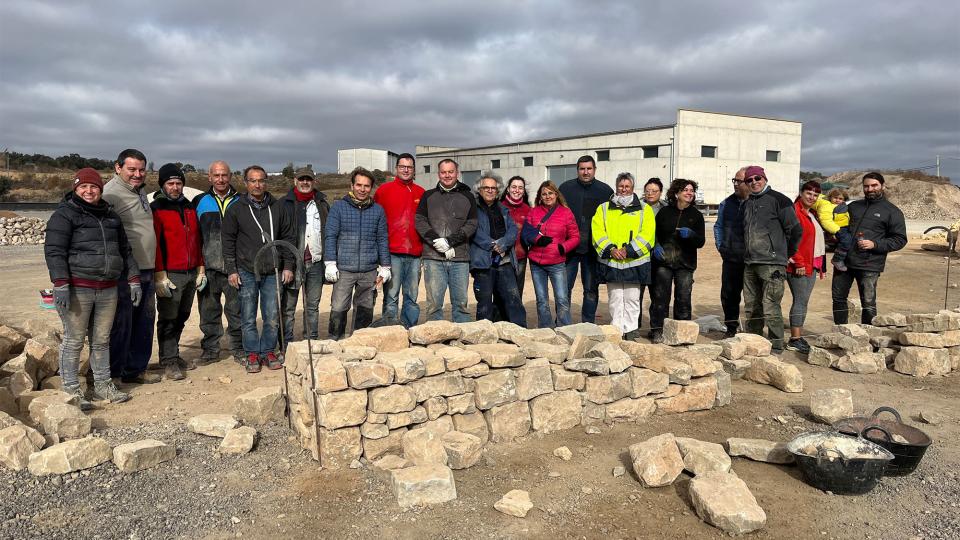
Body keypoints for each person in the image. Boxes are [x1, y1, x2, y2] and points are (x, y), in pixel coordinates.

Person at [44, 168, 135, 407]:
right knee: (74, 340)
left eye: (93, 186)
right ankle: (71, 390)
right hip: (77, 287)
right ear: (75, 189)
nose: (88, 190)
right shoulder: (64, 215)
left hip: (108, 288)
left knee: (101, 340)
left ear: (100, 189)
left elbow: (125, 250)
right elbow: (55, 251)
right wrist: (61, 283)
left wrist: (133, 278)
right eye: (83, 186)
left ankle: (103, 386)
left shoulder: (111, 216)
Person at [222, 165, 294, 373]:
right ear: (246, 183)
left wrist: (287, 266)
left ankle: (269, 351)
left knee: (272, 315)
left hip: (273, 270)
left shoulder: (278, 207)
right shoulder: (236, 208)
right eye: (253, 181)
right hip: (246, 269)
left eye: (261, 180)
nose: (257, 184)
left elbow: (287, 238)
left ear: (266, 182)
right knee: (248, 315)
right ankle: (252, 352)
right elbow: (228, 240)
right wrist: (232, 270)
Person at [102, 149, 159, 384]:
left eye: (141, 169)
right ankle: (114, 374)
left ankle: (135, 370)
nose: (137, 174)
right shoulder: (110, 194)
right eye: (131, 169)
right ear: (118, 168)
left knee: (144, 322)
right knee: (121, 324)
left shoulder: (140, 191)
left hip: (148, 268)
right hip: (126, 272)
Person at [151, 164, 205, 380]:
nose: (175, 187)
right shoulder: (156, 209)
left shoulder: (190, 207)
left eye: (179, 183)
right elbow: (155, 244)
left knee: (182, 315)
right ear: (163, 185)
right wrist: (159, 275)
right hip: (170, 273)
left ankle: (174, 354)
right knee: (168, 317)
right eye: (170, 183)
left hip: (191, 271)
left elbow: (197, 240)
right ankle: (168, 360)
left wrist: (200, 268)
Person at [832, 172, 907, 324]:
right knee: (838, 299)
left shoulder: (892, 211)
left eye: (874, 185)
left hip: (870, 264)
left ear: (882, 186)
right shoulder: (853, 206)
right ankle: (840, 334)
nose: (870, 189)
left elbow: (900, 239)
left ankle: (869, 339)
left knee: (868, 304)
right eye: (866, 186)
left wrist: (875, 244)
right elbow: (839, 226)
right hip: (844, 262)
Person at [324, 167, 391, 339]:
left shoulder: (378, 210)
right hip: (344, 269)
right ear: (352, 185)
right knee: (339, 307)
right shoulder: (338, 208)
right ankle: (335, 342)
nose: (362, 189)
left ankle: (359, 344)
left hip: (368, 270)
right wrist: (330, 262)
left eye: (367, 186)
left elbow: (382, 239)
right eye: (359, 185)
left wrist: (385, 266)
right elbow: (330, 235)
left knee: (365, 309)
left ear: (371, 188)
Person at [741, 165, 802, 353]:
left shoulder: (779, 200)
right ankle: (755, 343)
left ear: (764, 179)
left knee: (770, 306)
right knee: (751, 306)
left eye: (757, 178)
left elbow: (796, 229)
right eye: (749, 180)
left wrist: (785, 253)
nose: (754, 182)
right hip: (750, 263)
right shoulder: (747, 203)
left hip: (772, 264)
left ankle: (776, 346)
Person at [591, 172, 655, 340]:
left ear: (632, 188)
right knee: (615, 298)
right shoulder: (604, 208)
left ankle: (631, 329)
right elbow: (597, 232)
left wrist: (629, 250)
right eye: (621, 186)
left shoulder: (644, 209)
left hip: (635, 262)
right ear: (616, 186)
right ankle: (617, 329)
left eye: (627, 186)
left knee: (632, 298)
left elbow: (648, 235)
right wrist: (611, 249)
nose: (623, 189)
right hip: (612, 262)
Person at [415, 159, 478, 323]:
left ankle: (463, 336)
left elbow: (472, 223)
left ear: (457, 173)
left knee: (461, 303)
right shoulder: (428, 196)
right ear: (439, 174)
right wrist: (438, 242)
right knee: (434, 304)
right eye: (443, 172)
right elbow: (420, 221)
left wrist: (450, 241)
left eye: (451, 171)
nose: (447, 175)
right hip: (433, 257)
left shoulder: (468, 196)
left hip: (460, 257)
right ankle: (435, 338)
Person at [193, 160, 242, 364]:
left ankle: (238, 348)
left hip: (235, 268)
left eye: (224, 175)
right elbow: (194, 237)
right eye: (216, 175)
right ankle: (211, 349)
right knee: (208, 312)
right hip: (208, 268)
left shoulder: (242, 200)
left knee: (237, 310)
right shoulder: (198, 201)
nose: (221, 179)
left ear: (230, 177)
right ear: (209, 177)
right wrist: (199, 268)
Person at [648, 178, 705, 343]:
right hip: (664, 262)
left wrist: (692, 235)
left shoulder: (696, 216)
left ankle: (682, 333)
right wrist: (656, 246)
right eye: (686, 190)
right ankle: (658, 330)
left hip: (685, 264)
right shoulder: (665, 212)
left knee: (683, 298)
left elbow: (700, 242)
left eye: (691, 191)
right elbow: (654, 233)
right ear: (676, 193)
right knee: (660, 297)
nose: (689, 193)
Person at [559, 155, 613, 323]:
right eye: (582, 169)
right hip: (570, 249)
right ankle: (563, 323)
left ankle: (588, 323)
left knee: (590, 289)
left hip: (592, 250)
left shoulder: (605, 191)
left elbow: (611, 221)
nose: (585, 172)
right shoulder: (565, 189)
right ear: (578, 170)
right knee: (564, 289)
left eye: (589, 168)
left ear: (594, 170)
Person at [373, 153, 424, 328]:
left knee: (411, 296)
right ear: (396, 168)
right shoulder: (383, 191)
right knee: (391, 295)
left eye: (409, 167)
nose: (406, 170)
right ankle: (391, 329)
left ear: (414, 170)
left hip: (415, 254)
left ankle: (409, 329)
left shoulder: (420, 192)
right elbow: (375, 221)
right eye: (402, 166)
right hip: (392, 254)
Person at [280, 168, 329, 343]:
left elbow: (327, 232)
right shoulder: (284, 204)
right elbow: (281, 236)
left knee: (312, 307)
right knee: (288, 308)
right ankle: (287, 343)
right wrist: (286, 264)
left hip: (316, 262)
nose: (305, 182)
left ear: (314, 182)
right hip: (292, 264)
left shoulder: (322, 203)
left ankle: (311, 341)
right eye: (302, 179)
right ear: (295, 181)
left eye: (308, 179)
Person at [470, 173, 526, 325]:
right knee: (485, 303)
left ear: (498, 191)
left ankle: (520, 332)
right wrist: (493, 245)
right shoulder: (473, 208)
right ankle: (484, 337)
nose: (490, 191)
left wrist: (502, 244)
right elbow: (473, 230)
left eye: (493, 188)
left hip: (505, 261)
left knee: (514, 300)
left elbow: (513, 231)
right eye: (486, 187)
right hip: (483, 262)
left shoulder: (503, 209)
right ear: (479, 190)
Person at [522, 181, 580, 328]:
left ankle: (564, 328)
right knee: (541, 300)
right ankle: (545, 328)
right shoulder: (533, 212)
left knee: (561, 299)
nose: (547, 196)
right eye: (544, 194)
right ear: (540, 197)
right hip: (536, 263)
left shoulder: (566, 213)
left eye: (550, 193)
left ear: (556, 194)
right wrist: (537, 239)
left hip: (557, 262)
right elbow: (525, 234)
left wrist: (562, 248)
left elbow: (575, 237)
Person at [785, 181, 827, 354]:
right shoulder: (795, 212)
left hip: (812, 264)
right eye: (809, 193)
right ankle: (795, 339)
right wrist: (798, 261)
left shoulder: (812, 213)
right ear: (801, 193)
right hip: (800, 265)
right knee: (800, 301)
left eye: (815, 195)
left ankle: (798, 336)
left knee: (803, 302)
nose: (812, 197)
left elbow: (815, 241)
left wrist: (821, 266)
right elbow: (790, 238)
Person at [714, 167, 750, 337]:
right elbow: (718, 226)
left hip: (753, 260)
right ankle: (731, 329)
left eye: (739, 181)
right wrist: (721, 246)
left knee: (753, 297)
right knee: (729, 295)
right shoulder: (726, 204)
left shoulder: (758, 202)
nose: (735, 184)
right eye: (734, 181)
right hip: (731, 258)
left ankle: (754, 332)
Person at [499, 175, 532, 297]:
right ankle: (500, 316)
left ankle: (516, 315)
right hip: (501, 255)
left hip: (520, 256)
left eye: (520, 188)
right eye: (514, 187)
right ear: (508, 189)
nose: (517, 190)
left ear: (523, 191)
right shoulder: (498, 207)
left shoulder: (528, 210)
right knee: (501, 291)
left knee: (517, 291)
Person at [813, 188, 852, 271]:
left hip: (842, 227)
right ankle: (837, 259)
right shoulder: (827, 205)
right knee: (846, 241)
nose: (837, 200)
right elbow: (826, 220)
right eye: (835, 197)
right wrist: (836, 230)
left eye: (840, 198)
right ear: (830, 197)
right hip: (836, 228)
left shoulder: (841, 206)